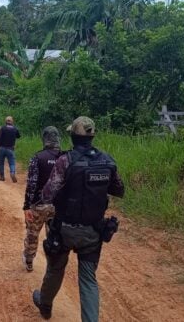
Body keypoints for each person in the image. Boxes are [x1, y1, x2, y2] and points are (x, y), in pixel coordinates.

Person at [33, 116, 125, 321]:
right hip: (93, 231)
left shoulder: (65, 161)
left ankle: (45, 305)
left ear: (73, 137)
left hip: (64, 229)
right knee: (88, 280)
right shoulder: (107, 160)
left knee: (55, 269)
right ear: (92, 136)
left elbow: (47, 194)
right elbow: (119, 190)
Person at [22, 126, 63, 272]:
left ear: (44, 139)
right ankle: (52, 265)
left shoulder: (38, 157)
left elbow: (32, 183)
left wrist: (27, 205)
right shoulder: (65, 157)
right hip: (57, 206)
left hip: (39, 205)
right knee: (53, 236)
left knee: (32, 234)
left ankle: (29, 260)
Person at [0, 116, 21, 182]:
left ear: (5, 121)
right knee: (12, 163)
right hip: (10, 149)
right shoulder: (15, 129)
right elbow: (18, 136)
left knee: (1, 163)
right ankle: (12, 173)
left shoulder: (2, 128)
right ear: (12, 121)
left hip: (2, 148)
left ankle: (2, 177)